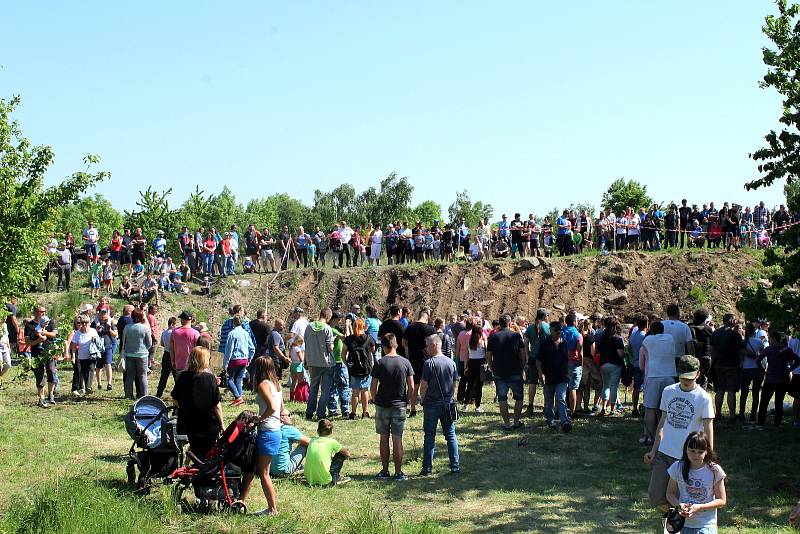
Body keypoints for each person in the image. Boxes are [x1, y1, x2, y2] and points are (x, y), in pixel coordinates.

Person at [645, 355, 714, 506]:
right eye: (683, 377)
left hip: (687, 457)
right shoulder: (668, 391)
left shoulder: (704, 398)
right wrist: (653, 450)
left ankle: (677, 524)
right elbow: (662, 422)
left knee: (679, 497)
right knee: (656, 496)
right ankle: (671, 520)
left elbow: (708, 429)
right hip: (664, 453)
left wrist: (709, 456)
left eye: (690, 377)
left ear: (698, 374)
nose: (686, 381)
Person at [370, 333, 415, 481]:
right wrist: (407, 400)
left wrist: (376, 399)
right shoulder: (405, 362)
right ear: (396, 344)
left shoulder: (380, 362)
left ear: (383, 346)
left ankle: (384, 470)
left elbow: (373, 386)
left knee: (384, 437)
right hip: (399, 405)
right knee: (397, 438)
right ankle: (398, 472)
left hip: (383, 405)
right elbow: (412, 386)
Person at [666, 432, 727, 534]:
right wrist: (679, 505)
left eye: (700, 452)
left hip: (706, 525)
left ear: (707, 451)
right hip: (683, 524)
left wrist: (699, 507)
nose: (696, 455)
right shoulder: (677, 467)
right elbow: (670, 493)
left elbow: (721, 500)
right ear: (686, 450)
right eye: (692, 451)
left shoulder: (715, 470)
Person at [172, 346, 224, 461]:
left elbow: (175, 399)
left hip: (187, 423)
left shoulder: (182, 377)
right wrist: (222, 425)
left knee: (196, 445)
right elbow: (216, 405)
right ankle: (199, 464)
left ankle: (191, 458)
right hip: (207, 424)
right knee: (207, 449)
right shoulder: (210, 379)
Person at [419, 333, 460, 475]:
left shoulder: (428, 364)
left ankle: (427, 468)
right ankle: (455, 466)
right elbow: (454, 384)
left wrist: (422, 399)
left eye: (427, 346)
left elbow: (423, 386)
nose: (426, 349)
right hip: (448, 404)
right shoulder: (451, 362)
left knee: (429, 436)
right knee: (450, 435)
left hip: (431, 404)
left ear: (434, 345)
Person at [251, 356, 283, 515]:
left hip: (268, 431)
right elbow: (281, 409)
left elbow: (272, 407)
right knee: (265, 472)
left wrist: (259, 419)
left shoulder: (263, 384)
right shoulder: (276, 385)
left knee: (263, 473)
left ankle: (272, 509)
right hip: (276, 430)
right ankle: (271, 508)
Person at [486, 315, 527, 431]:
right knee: (519, 398)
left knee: (502, 399)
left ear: (499, 324)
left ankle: (507, 424)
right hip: (515, 370)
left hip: (499, 371)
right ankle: (516, 422)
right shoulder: (516, 336)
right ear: (510, 324)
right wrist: (522, 366)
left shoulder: (493, 336)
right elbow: (523, 353)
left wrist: (491, 367)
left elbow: (488, 355)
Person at [640, 321, 677, 444]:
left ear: (651, 330)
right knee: (666, 409)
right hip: (670, 376)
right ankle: (667, 436)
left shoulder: (648, 340)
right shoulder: (670, 338)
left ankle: (650, 437)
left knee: (650, 408)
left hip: (654, 376)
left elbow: (642, 364)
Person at [757, 329, 800, 426]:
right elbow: (797, 360)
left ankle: (761, 421)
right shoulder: (786, 349)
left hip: (770, 378)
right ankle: (777, 423)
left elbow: (758, 360)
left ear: (772, 338)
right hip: (782, 378)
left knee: (764, 401)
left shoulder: (769, 349)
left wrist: (762, 370)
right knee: (779, 402)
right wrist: (790, 369)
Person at [537, 321, 572, 432]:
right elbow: (538, 361)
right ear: (550, 330)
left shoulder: (564, 343)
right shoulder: (545, 343)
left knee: (561, 398)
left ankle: (564, 422)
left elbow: (568, 360)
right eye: (556, 330)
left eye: (560, 330)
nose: (558, 332)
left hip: (562, 376)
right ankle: (550, 420)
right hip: (549, 376)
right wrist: (541, 374)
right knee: (549, 400)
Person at [402, 308, 437, 416]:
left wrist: (409, 352)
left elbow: (403, 343)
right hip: (427, 360)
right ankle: (426, 405)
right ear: (426, 317)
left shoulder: (409, 328)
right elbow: (435, 345)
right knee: (427, 385)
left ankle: (412, 409)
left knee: (414, 385)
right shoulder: (430, 329)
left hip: (413, 360)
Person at [709, 314, 743, 422]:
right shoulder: (735, 335)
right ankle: (732, 416)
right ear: (731, 321)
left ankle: (718, 414)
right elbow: (742, 351)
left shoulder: (715, 333)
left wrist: (713, 362)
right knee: (731, 391)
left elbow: (712, 350)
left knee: (719, 390)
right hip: (732, 365)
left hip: (718, 365)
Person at [304, 308, 336, 420]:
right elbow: (330, 348)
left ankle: (309, 412)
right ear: (328, 317)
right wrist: (334, 340)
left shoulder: (308, 327)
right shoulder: (327, 329)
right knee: (325, 390)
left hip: (313, 362)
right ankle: (321, 413)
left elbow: (306, 344)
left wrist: (306, 360)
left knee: (313, 388)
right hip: (326, 363)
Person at [343, 319, 375, 420]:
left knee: (355, 391)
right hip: (366, 368)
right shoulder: (368, 338)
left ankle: (353, 413)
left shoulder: (349, 339)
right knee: (365, 390)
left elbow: (343, 353)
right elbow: (373, 350)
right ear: (363, 326)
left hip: (354, 369)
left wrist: (348, 364)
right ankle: (365, 413)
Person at [27, 305, 58, 408]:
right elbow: (27, 342)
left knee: (51, 371)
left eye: (44, 311)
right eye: (40, 312)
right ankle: (41, 398)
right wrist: (37, 340)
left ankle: (51, 395)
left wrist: (45, 333)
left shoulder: (50, 322)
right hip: (36, 353)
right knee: (39, 375)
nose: (43, 313)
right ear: (35, 312)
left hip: (49, 351)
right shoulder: (29, 325)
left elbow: (54, 335)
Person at [305, 418, 351, 486]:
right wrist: (347, 455)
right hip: (326, 480)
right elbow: (347, 453)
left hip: (309, 479)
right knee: (341, 454)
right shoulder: (332, 442)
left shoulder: (312, 440)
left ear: (317, 430)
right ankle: (335, 478)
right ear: (331, 432)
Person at [223, 315, 255, 407]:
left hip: (234, 360)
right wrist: (249, 359)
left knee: (229, 380)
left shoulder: (232, 333)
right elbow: (252, 348)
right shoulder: (246, 333)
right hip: (244, 359)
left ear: (233, 322)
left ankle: (238, 397)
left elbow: (228, 351)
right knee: (238, 379)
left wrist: (225, 364)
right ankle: (239, 399)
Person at [597, 318, 625, 416]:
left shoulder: (601, 337)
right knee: (613, 386)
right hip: (615, 365)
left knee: (605, 386)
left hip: (603, 364)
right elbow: (621, 354)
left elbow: (598, 352)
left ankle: (603, 408)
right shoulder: (617, 339)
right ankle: (612, 409)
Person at [122, 308, 152, 399]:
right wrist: (144, 349)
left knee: (129, 376)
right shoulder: (144, 327)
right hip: (142, 355)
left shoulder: (127, 327)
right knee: (143, 376)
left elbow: (124, 341)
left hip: (129, 354)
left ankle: (128, 395)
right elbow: (149, 343)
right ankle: (144, 396)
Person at [91, 307, 117, 392]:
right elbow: (90, 332)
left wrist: (109, 329)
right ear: (98, 313)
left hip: (107, 345)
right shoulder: (94, 323)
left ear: (107, 314)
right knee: (99, 366)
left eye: (104, 313)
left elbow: (114, 334)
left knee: (108, 364)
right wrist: (96, 330)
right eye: (102, 313)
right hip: (98, 347)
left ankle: (109, 383)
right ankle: (99, 383)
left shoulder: (110, 322)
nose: (103, 315)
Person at [462, 324, 486, 413]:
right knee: (479, 386)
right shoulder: (483, 342)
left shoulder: (469, 342)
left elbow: (466, 356)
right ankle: (477, 406)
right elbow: (486, 354)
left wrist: (465, 367)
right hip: (481, 364)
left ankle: (465, 405)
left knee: (470, 385)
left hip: (471, 363)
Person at [155, 317, 177, 397]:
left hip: (166, 354)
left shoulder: (164, 332)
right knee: (176, 376)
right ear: (172, 324)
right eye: (175, 324)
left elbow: (162, 344)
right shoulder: (174, 333)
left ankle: (159, 393)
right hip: (173, 355)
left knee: (164, 376)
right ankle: (178, 393)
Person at [289, 335, 305, 399]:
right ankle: (299, 397)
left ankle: (291, 397)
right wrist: (303, 353)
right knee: (300, 383)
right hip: (298, 366)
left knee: (293, 382)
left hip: (293, 365)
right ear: (299, 342)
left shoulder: (292, 348)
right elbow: (301, 359)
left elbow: (290, 357)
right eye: (301, 343)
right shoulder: (298, 349)